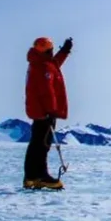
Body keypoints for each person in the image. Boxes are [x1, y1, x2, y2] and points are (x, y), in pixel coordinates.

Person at [23, 36, 73, 189]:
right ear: (47, 51)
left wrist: (64, 51)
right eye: (51, 50)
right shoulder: (42, 67)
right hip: (44, 112)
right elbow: (47, 91)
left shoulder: (41, 62)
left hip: (40, 110)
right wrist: (51, 110)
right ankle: (41, 176)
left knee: (37, 143)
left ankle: (31, 176)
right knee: (42, 144)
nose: (52, 53)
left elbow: (55, 63)